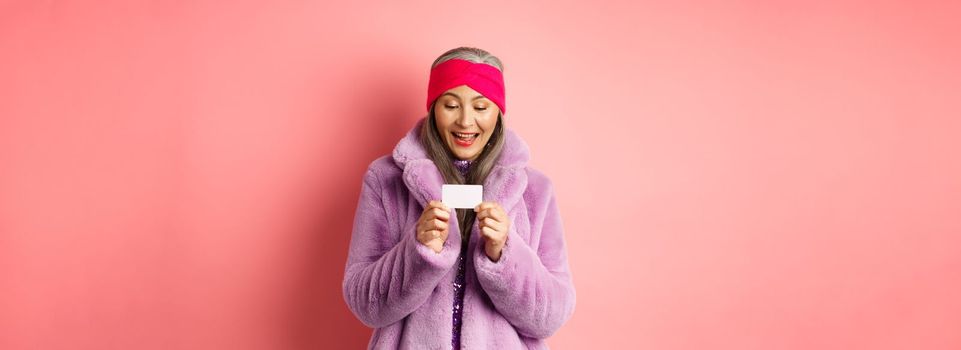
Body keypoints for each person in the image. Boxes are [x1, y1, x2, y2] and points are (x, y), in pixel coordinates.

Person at [342, 46, 575, 349]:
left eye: (481, 107)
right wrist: (418, 252)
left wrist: (505, 254)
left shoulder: (536, 190)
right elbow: (364, 303)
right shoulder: (386, 180)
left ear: (498, 113)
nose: (466, 122)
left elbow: (552, 315)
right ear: (434, 107)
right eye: (451, 105)